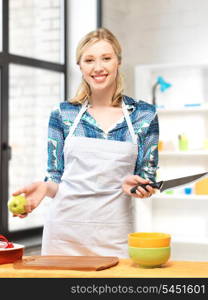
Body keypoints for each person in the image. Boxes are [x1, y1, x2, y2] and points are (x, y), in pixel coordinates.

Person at [12, 28, 159, 258]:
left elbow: (147, 177)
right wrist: (44, 187)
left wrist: (138, 186)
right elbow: (55, 177)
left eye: (106, 58)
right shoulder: (63, 114)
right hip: (64, 232)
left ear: (118, 62)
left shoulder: (144, 115)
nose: (98, 67)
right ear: (80, 66)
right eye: (89, 60)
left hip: (115, 234)